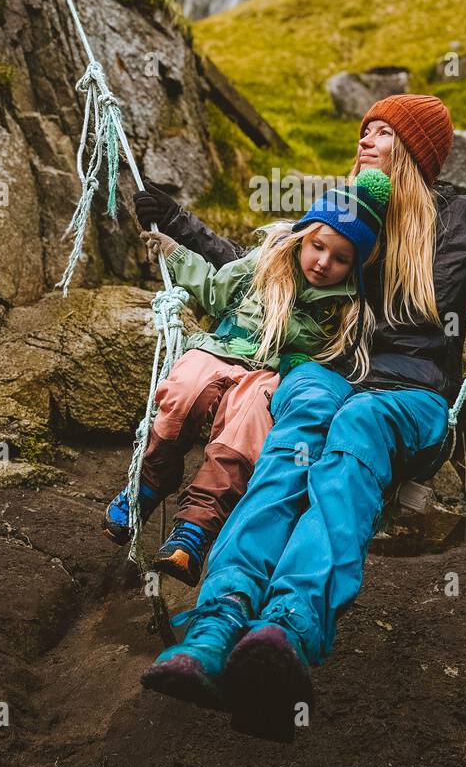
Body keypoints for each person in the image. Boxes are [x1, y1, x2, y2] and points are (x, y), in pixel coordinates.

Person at [136, 96, 466, 740]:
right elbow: (262, 268)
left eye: (384, 133)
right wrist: (175, 222)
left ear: (415, 152)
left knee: (356, 427)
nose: (366, 141)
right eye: (365, 130)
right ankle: (215, 627)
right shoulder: (348, 214)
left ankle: (288, 628)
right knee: (297, 425)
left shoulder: (464, 219)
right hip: (332, 374)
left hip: (412, 397)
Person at [102, 168, 391, 586]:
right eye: (318, 247)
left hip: (267, 372)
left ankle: (195, 528)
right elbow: (215, 291)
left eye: (341, 258)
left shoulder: (344, 310)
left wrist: (291, 368)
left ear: (355, 265)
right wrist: (175, 254)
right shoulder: (265, 264)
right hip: (219, 350)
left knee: (248, 424)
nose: (324, 262)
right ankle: (149, 481)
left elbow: (329, 363)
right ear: (303, 234)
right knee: (185, 387)